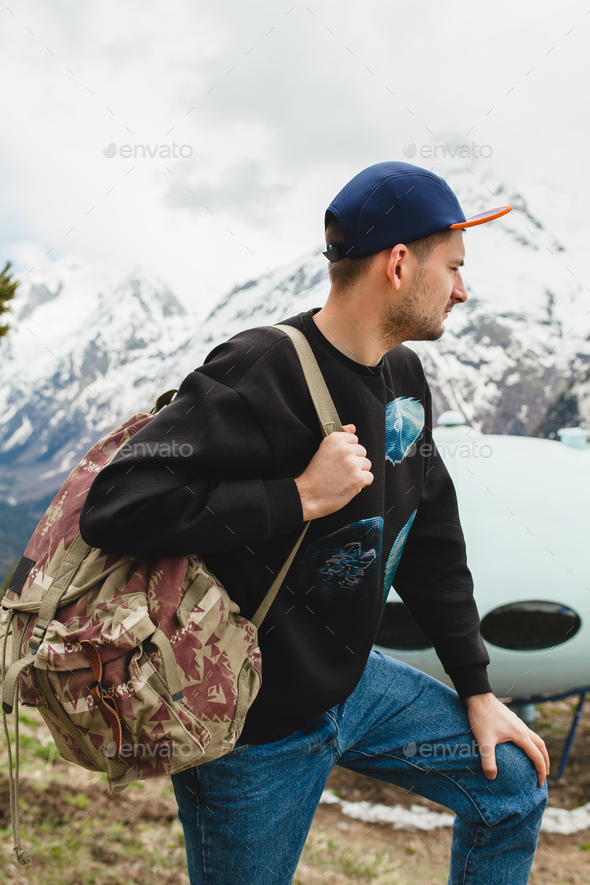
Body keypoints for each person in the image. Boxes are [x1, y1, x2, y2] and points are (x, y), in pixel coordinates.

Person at [79, 160, 550, 884]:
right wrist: (297, 494)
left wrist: (478, 691)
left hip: (357, 688)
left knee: (513, 780)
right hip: (252, 733)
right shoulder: (260, 369)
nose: (463, 288)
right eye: (454, 267)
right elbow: (117, 503)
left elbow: (431, 540)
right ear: (399, 264)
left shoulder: (403, 375)